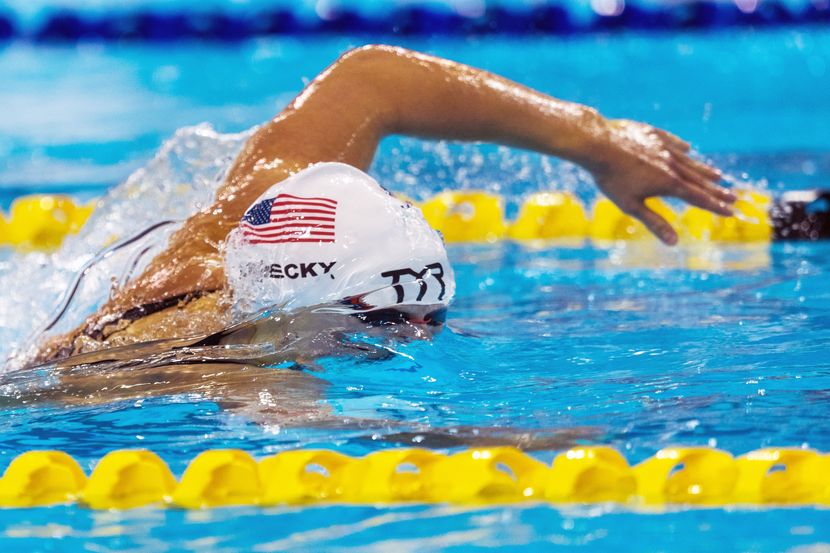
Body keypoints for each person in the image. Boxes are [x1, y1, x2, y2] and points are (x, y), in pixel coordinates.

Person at [33, 44, 734, 369]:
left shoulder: (275, 199)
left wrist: (595, 136)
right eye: (396, 319)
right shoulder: (191, 352)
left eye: (429, 313)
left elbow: (371, 80)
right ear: (312, 304)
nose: (425, 334)